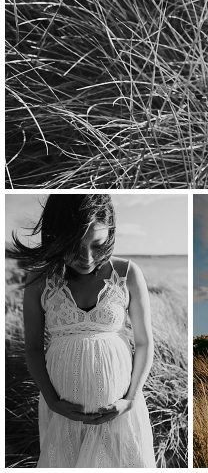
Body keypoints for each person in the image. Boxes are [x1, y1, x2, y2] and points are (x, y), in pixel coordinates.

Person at [9, 194, 157, 468]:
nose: (87, 258)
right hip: (63, 414)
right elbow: (33, 348)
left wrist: (130, 400)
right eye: (75, 246)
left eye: (98, 245)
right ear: (55, 238)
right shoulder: (39, 279)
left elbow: (144, 343)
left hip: (121, 412)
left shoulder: (127, 273)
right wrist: (53, 402)